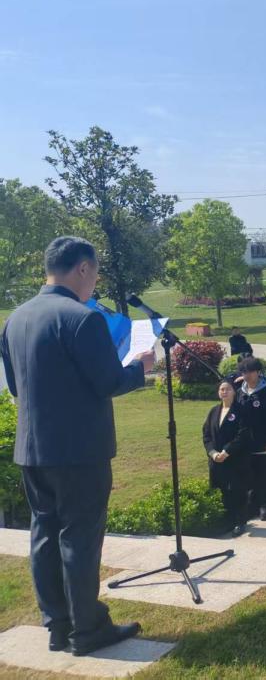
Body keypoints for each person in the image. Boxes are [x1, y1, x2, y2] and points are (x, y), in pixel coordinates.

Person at [0, 236, 155, 655]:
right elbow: (109, 382)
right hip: (79, 451)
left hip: (32, 449)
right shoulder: (83, 319)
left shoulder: (15, 319)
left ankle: (57, 625)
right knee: (79, 538)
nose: (95, 282)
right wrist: (140, 368)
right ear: (83, 269)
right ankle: (87, 630)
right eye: (95, 273)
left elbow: (15, 386)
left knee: (44, 534)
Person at [236, 356, 266, 521]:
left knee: (265, 474)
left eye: (250, 372)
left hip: (263, 441)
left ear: (258, 372)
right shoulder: (240, 392)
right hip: (245, 442)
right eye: (244, 372)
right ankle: (252, 505)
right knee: (249, 474)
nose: (247, 375)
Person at [203, 381, 252, 537]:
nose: (224, 391)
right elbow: (206, 435)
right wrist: (212, 453)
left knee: (237, 491)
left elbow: (243, 434)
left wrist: (226, 451)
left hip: (235, 459)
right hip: (217, 461)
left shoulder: (241, 411)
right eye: (221, 389)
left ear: (234, 392)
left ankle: (240, 522)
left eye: (228, 389)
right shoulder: (213, 411)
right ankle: (228, 521)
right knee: (223, 491)